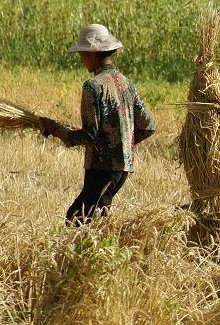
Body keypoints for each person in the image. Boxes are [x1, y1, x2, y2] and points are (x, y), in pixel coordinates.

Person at [41, 24, 155, 226]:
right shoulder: (126, 83)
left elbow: (89, 135)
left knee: (76, 219)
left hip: (101, 168)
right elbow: (147, 126)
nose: (81, 59)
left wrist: (56, 130)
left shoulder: (93, 86)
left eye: (83, 54)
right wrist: (123, 145)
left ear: (93, 53)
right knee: (95, 219)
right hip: (123, 168)